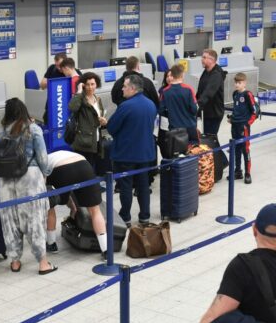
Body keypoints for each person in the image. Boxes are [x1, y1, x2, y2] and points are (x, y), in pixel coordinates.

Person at [0, 98, 55, 274]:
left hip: (5, 180)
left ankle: (15, 261)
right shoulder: (34, 129)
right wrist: (46, 173)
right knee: (33, 220)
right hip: (29, 178)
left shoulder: (3, 131)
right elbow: (43, 158)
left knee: (10, 219)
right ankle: (43, 263)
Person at [107, 75, 158, 228]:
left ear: (132, 88)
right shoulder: (151, 105)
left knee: (126, 187)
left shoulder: (125, 106)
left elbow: (111, 128)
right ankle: (144, 217)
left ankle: (126, 217)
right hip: (145, 154)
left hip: (126, 154)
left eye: (124, 86)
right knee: (143, 186)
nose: (122, 89)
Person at [45, 150, 108, 257]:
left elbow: (59, 193)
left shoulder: (43, 161)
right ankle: (106, 250)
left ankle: (51, 244)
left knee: (50, 207)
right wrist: (73, 208)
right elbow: (69, 189)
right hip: (84, 166)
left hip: (60, 169)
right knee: (94, 210)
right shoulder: (63, 154)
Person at [68, 72, 108, 173]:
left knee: (92, 167)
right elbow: (72, 107)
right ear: (83, 85)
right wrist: (79, 91)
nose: (90, 87)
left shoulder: (97, 99)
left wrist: (103, 121)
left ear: (96, 84)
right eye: (87, 84)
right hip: (83, 142)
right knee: (84, 170)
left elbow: (99, 116)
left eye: (92, 84)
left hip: (96, 139)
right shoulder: (80, 99)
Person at [230, 72, 259, 184]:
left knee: (245, 149)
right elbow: (236, 109)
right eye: (236, 82)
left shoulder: (248, 94)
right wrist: (232, 118)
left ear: (244, 83)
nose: (237, 85)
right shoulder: (235, 94)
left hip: (244, 127)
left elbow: (254, 112)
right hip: (234, 125)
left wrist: (248, 123)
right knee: (236, 148)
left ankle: (248, 173)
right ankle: (238, 171)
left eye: (239, 83)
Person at [160, 64, 199, 143]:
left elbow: (161, 110)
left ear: (172, 75)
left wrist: (171, 115)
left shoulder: (165, 91)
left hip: (174, 128)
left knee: (176, 152)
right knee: (193, 151)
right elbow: (194, 109)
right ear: (182, 75)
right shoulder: (188, 89)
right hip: (189, 127)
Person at [196, 49, 227, 138]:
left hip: (214, 114)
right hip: (206, 112)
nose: (202, 59)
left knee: (211, 139)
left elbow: (208, 92)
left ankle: (216, 152)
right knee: (207, 138)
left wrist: (197, 105)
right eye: (202, 57)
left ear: (212, 60)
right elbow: (201, 90)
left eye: (204, 57)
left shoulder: (216, 74)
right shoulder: (206, 71)